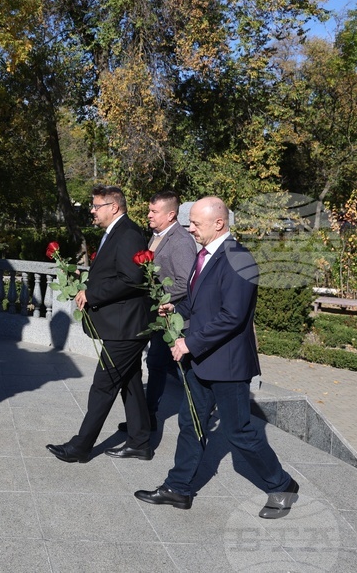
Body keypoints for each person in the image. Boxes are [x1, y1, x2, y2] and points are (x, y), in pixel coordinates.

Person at [135, 197, 299, 519]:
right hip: (201, 361)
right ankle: (178, 488)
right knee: (191, 423)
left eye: (196, 223)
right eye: (190, 223)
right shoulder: (205, 255)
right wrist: (175, 308)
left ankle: (283, 486)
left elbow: (232, 316)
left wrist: (189, 343)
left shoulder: (239, 258)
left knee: (239, 432)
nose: (190, 229)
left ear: (219, 223)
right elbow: (200, 305)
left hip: (228, 365)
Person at [46, 185, 155, 463]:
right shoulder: (117, 232)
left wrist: (92, 294)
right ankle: (140, 442)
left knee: (103, 386)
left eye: (96, 206)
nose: (92, 211)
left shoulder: (128, 234)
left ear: (114, 207)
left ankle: (81, 447)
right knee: (130, 382)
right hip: (124, 325)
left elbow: (132, 279)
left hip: (126, 327)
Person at [133, 191, 197, 431]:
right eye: (149, 210)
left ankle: (196, 413)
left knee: (172, 367)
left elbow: (185, 281)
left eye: (154, 211)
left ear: (171, 215)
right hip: (158, 317)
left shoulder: (180, 241)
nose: (149, 215)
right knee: (157, 364)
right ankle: (146, 418)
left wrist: (160, 297)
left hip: (174, 319)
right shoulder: (156, 236)